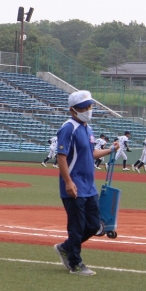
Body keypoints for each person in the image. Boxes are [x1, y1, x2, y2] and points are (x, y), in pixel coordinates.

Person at [53, 90, 119, 276]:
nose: (88, 110)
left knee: (94, 225)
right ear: (73, 110)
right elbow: (61, 157)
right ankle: (75, 263)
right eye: (84, 108)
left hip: (89, 186)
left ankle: (66, 247)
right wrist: (68, 182)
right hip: (74, 186)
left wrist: (110, 150)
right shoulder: (68, 128)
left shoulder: (88, 129)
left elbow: (90, 154)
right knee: (77, 227)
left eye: (90, 106)